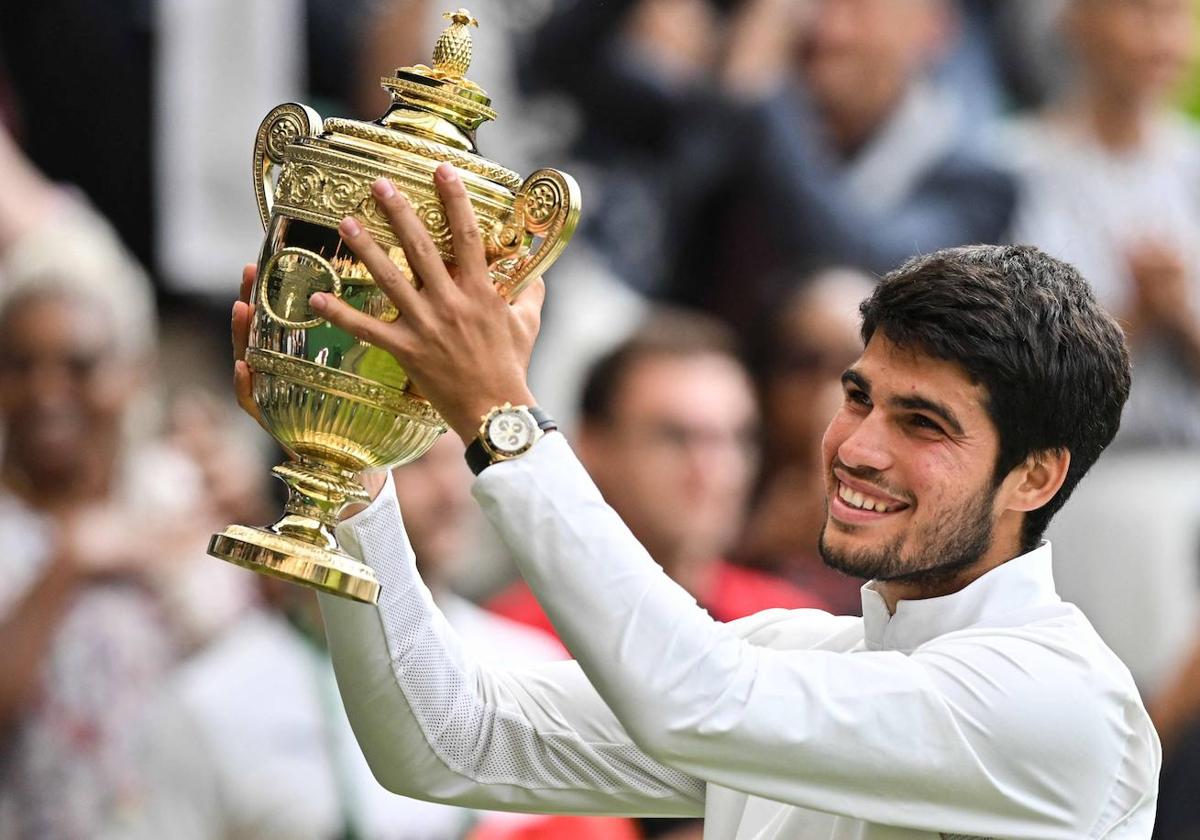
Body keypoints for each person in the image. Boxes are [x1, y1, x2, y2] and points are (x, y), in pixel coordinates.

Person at [231, 167, 1158, 838]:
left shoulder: (1061, 703)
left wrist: (498, 415)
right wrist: (348, 454)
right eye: (859, 396)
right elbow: (450, 740)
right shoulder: (795, 654)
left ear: (1037, 475)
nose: (858, 447)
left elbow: (695, 699)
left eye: (925, 424)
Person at [118, 434, 563, 840]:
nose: (451, 492)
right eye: (418, 462)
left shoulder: (532, 669)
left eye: (460, 461)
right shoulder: (209, 703)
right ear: (319, 476)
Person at [489, 310, 827, 639]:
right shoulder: (515, 640)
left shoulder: (794, 628)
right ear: (591, 445)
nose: (714, 470)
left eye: (737, 439)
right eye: (676, 437)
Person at [1007, 0, 1200, 448]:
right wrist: (1135, 318)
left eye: (1176, 16)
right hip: (1063, 471)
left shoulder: (1192, 167)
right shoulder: (1016, 169)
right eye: (1139, 12)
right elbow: (1007, 371)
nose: (1161, 39)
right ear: (1075, 22)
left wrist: (1178, 314)